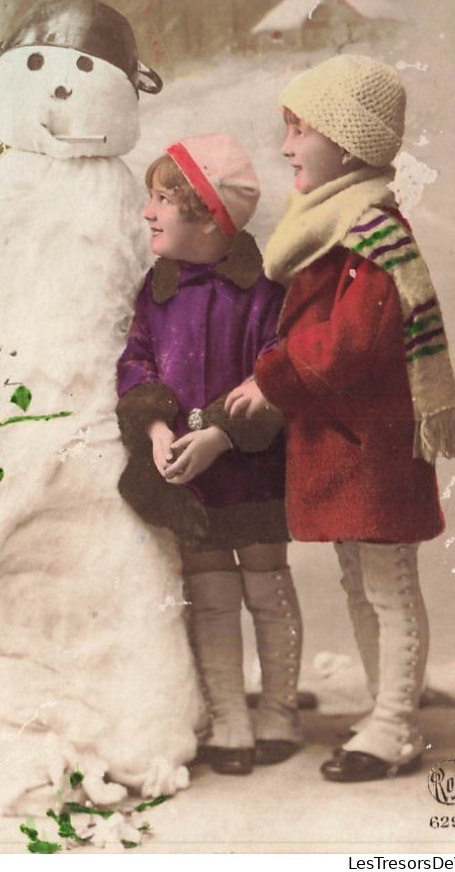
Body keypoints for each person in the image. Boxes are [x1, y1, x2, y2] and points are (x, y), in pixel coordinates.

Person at [226, 55, 455, 782]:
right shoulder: (335, 223)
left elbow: (351, 343)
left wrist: (272, 380)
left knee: (386, 584)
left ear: (346, 142)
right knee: (364, 582)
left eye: (299, 130)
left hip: (370, 445)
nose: (285, 146)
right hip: (343, 444)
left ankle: (393, 723)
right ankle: (381, 713)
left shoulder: (371, 232)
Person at [116, 134, 303, 777]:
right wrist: (156, 431)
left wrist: (222, 433)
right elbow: (136, 358)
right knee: (211, 594)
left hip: (248, 464)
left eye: (162, 199)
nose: (148, 212)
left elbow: (279, 372)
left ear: (205, 213)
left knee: (266, 585)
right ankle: (230, 717)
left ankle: (280, 709)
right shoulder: (158, 287)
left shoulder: (265, 289)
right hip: (184, 473)